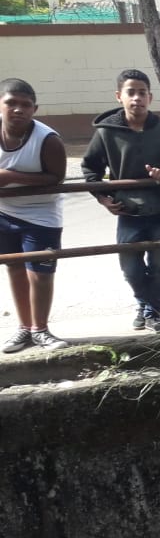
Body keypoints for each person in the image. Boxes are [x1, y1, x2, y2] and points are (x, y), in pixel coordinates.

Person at [82, 69, 160, 333]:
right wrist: (103, 198)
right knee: (130, 266)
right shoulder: (106, 133)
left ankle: (152, 312)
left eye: (142, 93)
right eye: (131, 92)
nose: (137, 98)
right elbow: (90, 169)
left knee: (159, 264)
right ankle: (144, 303)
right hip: (127, 210)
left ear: (150, 97)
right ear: (119, 96)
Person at [0, 78, 68, 353]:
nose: (18, 109)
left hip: (42, 215)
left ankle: (40, 330)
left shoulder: (48, 139)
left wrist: (11, 177)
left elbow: (57, 177)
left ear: (34, 109)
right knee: (15, 268)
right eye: (11, 103)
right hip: (4, 213)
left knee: (40, 273)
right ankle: (24, 329)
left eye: (25, 105)